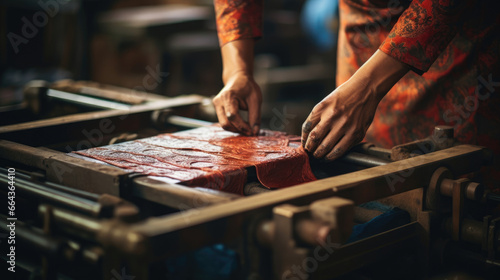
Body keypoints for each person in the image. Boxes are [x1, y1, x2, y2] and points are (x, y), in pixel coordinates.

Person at [212, 0, 500, 187]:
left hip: (458, 61)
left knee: (457, 192)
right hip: (359, 49)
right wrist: (237, 69)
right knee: (375, 188)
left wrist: (369, 86)